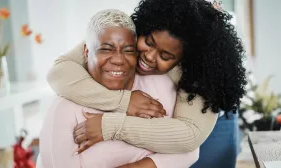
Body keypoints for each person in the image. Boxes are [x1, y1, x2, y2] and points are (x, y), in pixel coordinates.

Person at [47, 0, 247, 167]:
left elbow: (189, 138)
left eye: (165, 55)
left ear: (183, 60)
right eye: (149, 42)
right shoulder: (129, 31)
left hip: (210, 129)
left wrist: (110, 126)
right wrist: (124, 101)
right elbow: (58, 72)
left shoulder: (201, 72)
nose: (149, 56)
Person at [40, 9, 199, 168]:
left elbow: (189, 149)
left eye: (128, 50)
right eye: (106, 49)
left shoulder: (159, 85)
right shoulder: (64, 109)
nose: (118, 60)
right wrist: (124, 101)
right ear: (87, 52)